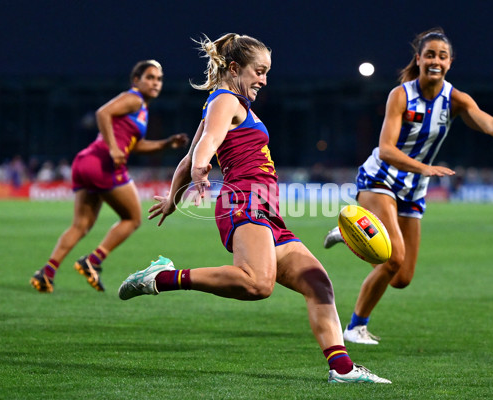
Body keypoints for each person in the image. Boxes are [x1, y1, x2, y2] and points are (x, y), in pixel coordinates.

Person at [118, 33, 391, 384]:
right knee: (257, 285)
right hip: (243, 199)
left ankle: (342, 369)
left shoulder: (236, 105)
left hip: (266, 207)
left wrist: (174, 197)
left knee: (317, 282)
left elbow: (188, 157)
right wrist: (203, 168)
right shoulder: (224, 100)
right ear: (235, 68)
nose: (263, 79)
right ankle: (161, 278)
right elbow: (203, 149)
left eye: (267, 72)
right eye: (259, 71)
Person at [323, 28, 493, 345]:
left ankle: (354, 233)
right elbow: (387, 149)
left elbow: (487, 122)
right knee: (394, 259)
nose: (435, 60)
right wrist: (424, 167)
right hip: (382, 178)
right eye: (429, 54)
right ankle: (355, 327)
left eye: (442, 56)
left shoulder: (455, 99)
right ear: (418, 59)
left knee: (402, 278)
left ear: (450, 62)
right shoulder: (400, 95)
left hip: (414, 189)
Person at [30, 60, 189, 293]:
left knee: (81, 225)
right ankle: (93, 260)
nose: (156, 82)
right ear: (136, 81)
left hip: (86, 162)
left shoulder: (141, 108)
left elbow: (135, 145)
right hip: (104, 163)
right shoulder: (134, 98)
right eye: (150, 77)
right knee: (133, 218)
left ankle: (47, 272)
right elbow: (103, 113)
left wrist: (165, 144)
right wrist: (114, 148)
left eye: (159, 79)